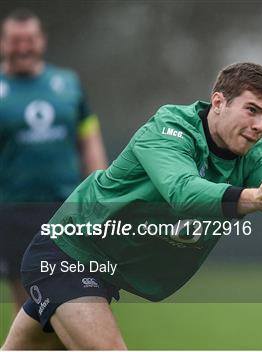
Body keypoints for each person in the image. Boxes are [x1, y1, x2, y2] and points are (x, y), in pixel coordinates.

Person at [1, 62, 262, 349]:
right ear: (219, 102)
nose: (260, 125)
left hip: (109, 271)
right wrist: (249, 198)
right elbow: (182, 192)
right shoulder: (169, 128)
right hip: (69, 253)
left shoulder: (254, 153)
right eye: (252, 110)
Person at [0, 9, 107, 312]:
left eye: (30, 40)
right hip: (12, 211)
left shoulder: (68, 84)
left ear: (42, 41)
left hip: (66, 208)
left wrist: (100, 195)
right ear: (2, 44)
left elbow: (89, 139)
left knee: (74, 296)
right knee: (29, 307)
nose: (23, 47)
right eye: (15, 41)